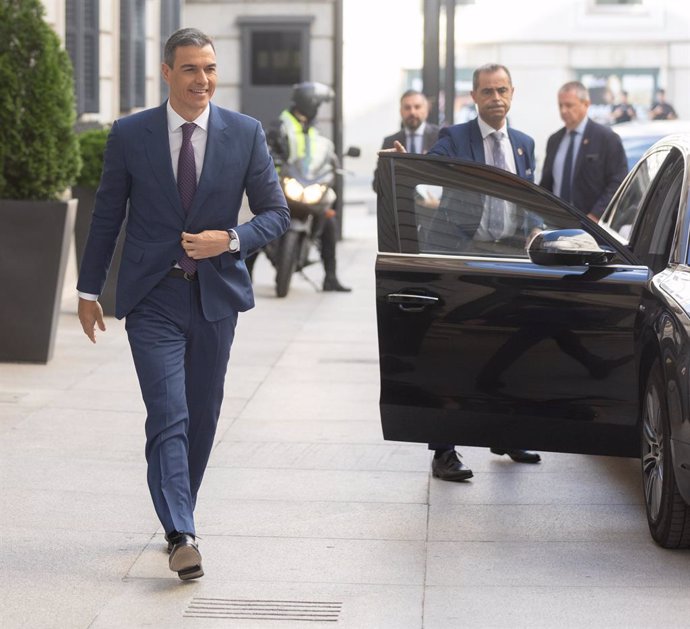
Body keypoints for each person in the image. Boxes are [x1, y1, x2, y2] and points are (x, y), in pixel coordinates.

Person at [76, 28, 289, 581]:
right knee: (168, 413)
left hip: (215, 295)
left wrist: (232, 239)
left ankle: (179, 512)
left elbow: (276, 213)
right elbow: (106, 217)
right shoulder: (130, 134)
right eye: (191, 69)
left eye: (211, 68)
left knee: (203, 414)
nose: (203, 80)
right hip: (153, 295)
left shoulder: (244, 133)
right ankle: (182, 533)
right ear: (167, 72)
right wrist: (87, 290)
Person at [386, 63, 542, 481]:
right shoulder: (455, 137)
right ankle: (444, 452)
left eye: (502, 90)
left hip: (508, 262)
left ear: (513, 93)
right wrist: (409, 163)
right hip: (458, 258)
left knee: (507, 351)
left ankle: (506, 435)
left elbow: (526, 204)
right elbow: (431, 168)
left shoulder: (524, 144)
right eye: (487, 91)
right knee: (449, 350)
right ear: (473, 97)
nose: (496, 98)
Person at [265, 82, 351, 292]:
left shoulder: (312, 129)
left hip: (306, 184)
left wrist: (332, 166)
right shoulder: (281, 125)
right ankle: (243, 277)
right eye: (318, 104)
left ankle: (330, 277)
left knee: (329, 219)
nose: (318, 109)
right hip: (281, 186)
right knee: (261, 224)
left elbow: (320, 157)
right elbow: (267, 150)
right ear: (310, 103)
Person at [540, 81, 628, 223]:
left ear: (586, 104)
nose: (563, 111)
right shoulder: (554, 140)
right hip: (556, 225)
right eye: (560, 105)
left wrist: (595, 216)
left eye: (569, 105)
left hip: (593, 228)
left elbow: (618, 181)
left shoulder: (606, 138)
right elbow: (546, 185)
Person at [372, 90, 440, 192]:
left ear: (426, 110)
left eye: (417, 107)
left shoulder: (440, 137)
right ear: (401, 111)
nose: (412, 112)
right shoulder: (390, 142)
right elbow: (377, 184)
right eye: (407, 108)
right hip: (402, 203)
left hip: (433, 204)